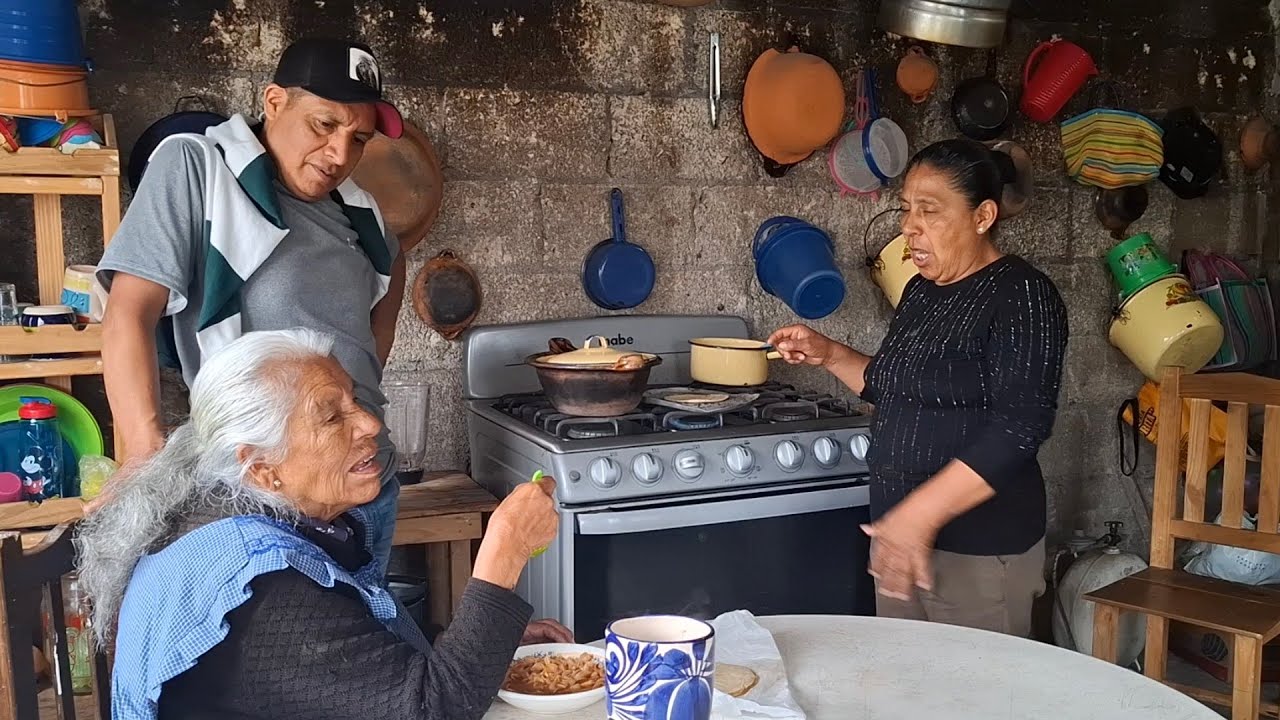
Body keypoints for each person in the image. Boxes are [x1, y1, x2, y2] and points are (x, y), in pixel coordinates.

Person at [76, 328, 572, 720]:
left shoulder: (228, 517)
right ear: (262, 468)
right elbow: (434, 708)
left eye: (354, 400)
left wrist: (478, 644)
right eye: (333, 418)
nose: (371, 425)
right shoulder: (256, 588)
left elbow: (331, 670)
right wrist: (503, 555)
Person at [94, 38, 408, 572]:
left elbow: (385, 293)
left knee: (362, 648)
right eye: (323, 125)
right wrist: (143, 454)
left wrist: (353, 394)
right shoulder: (198, 170)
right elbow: (128, 311)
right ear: (274, 101)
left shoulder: (362, 217)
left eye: (358, 139)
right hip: (265, 498)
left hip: (365, 484)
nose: (340, 155)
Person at [769, 139, 1069, 637]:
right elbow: (893, 387)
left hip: (977, 552)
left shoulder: (1021, 294)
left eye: (930, 211)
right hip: (901, 540)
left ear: (983, 216)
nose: (910, 226)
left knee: (973, 702)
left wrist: (918, 517)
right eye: (907, 210)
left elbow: (1019, 427)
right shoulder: (919, 291)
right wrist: (830, 354)